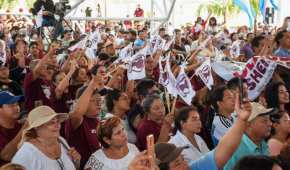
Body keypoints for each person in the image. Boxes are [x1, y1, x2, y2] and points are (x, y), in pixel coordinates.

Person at [154, 95, 252, 170]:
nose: (185, 165)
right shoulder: (174, 143)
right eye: (177, 164)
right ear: (182, 123)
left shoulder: (198, 141)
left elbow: (220, 153)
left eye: (183, 159)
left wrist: (241, 120)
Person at [12, 106, 81, 170]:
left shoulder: (61, 141)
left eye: (57, 121)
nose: (57, 125)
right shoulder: (26, 153)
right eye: (51, 122)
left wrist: (76, 162)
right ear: (36, 127)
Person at [64, 65, 106, 169]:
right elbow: (78, 112)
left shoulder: (98, 120)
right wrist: (92, 85)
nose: (99, 104)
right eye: (95, 101)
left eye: (100, 101)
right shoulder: (76, 121)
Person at [224, 102, 277, 170]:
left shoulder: (263, 144)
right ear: (248, 124)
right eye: (265, 121)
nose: (270, 123)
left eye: (269, 119)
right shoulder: (233, 149)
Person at [0, 91, 25, 166]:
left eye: (17, 104)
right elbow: (6, 156)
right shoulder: (23, 127)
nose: (17, 107)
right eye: (11, 105)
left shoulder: (20, 125)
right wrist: (24, 128)